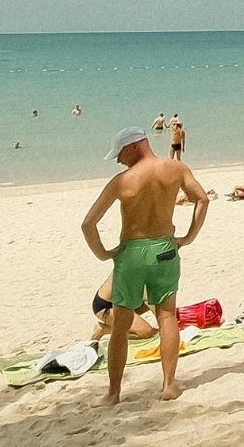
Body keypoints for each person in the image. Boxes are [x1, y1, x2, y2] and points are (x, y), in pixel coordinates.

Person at [81, 127, 209, 405]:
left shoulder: (122, 181)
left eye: (120, 154)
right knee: (167, 317)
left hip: (131, 254)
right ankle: (169, 385)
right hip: (164, 249)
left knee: (120, 327)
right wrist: (188, 237)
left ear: (135, 146)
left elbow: (88, 224)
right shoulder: (175, 168)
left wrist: (103, 254)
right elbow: (202, 198)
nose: (118, 160)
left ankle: (113, 393)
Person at [90, 273, 157, 342]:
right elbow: (148, 297)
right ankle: (105, 329)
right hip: (107, 306)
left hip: (127, 302)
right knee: (146, 332)